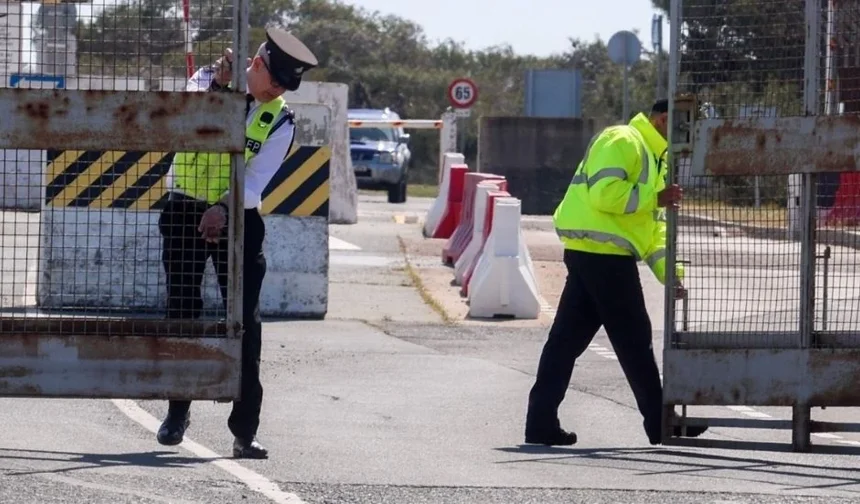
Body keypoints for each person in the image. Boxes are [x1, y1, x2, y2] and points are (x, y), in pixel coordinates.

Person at [155, 28, 318, 459]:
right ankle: (177, 412)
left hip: (239, 219)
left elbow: (258, 179)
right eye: (277, 79)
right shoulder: (207, 81)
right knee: (183, 312)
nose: (280, 89)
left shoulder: (280, 119)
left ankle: (245, 431)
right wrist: (218, 85)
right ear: (258, 63)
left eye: (288, 84)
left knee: (245, 322)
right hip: (184, 210)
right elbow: (180, 117)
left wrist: (224, 208)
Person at [524, 99, 708, 446]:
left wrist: (671, 275)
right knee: (634, 340)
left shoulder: (656, 158)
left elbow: (652, 233)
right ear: (665, 119)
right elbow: (604, 195)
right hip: (603, 257)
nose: (693, 135)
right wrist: (656, 197)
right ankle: (661, 423)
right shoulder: (623, 140)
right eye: (689, 126)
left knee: (566, 343)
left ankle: (540, 423)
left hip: (599, 255)